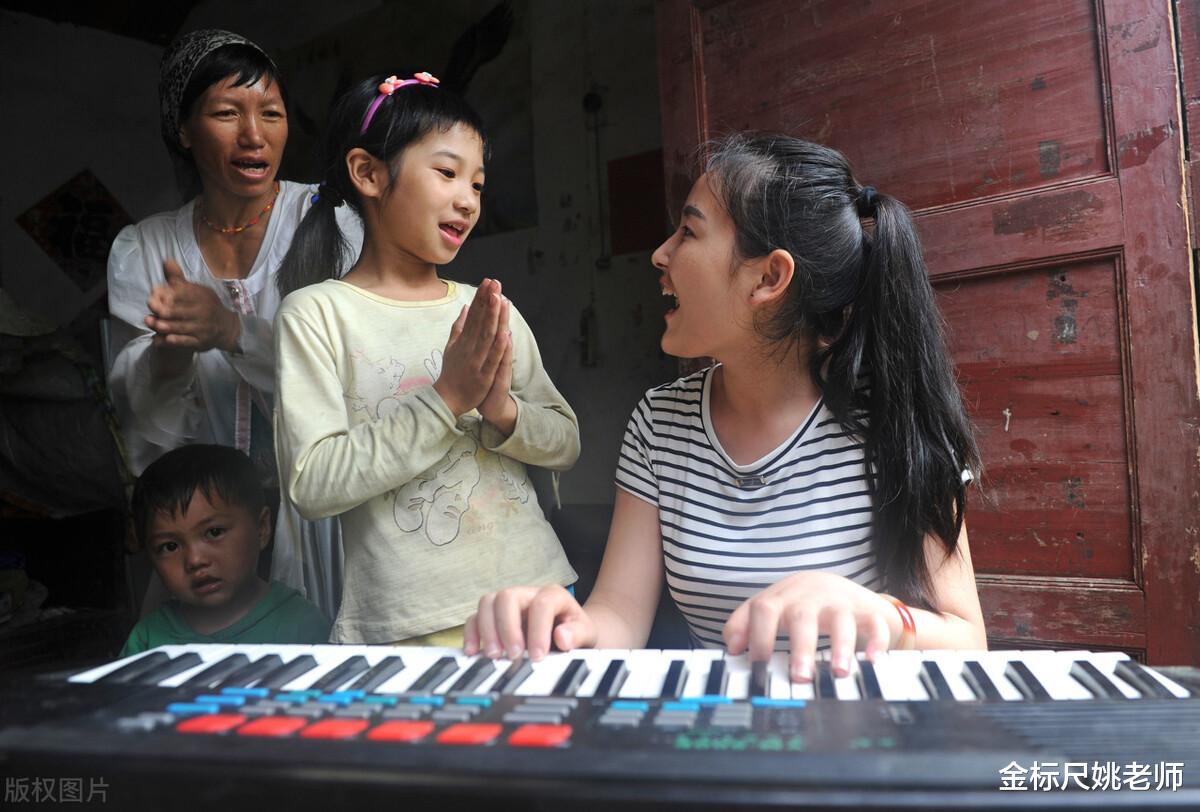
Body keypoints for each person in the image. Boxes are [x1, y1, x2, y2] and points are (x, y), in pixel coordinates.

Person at [466, 132, 987, 683]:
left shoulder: (891, 422)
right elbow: (619, 613)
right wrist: (566, 626)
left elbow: (967, 639)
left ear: (769, 278)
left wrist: (880, 615)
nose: (660, 255)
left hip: (858, 745)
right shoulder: (659, 422)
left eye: (689, 232)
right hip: (717, 738)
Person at [273, 71, 578, 645]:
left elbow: (564, 442)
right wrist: (446, 400)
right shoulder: (316, 315)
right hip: (410, 627)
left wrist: (500, 411)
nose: (467, 199)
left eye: (478, 184)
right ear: (368, 173)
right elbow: (311, 484)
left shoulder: (487, 310)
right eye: (446, 172)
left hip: (538, 605)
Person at [106, 30, 362, 620]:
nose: (254, 134)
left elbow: (356, 374)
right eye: (227, 113)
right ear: (183, 129)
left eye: (270, 113)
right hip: (208, 538)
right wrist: (168, 356)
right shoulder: (143, 249)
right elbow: (142, 426)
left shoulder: (328, 222)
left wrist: (231, 331)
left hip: (324, 518)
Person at [120, 444, 330, 656]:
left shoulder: (302, 627)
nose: (195, 560)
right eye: (170, 546)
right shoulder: (148, 640)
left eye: (214, 532)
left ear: (262, 528)